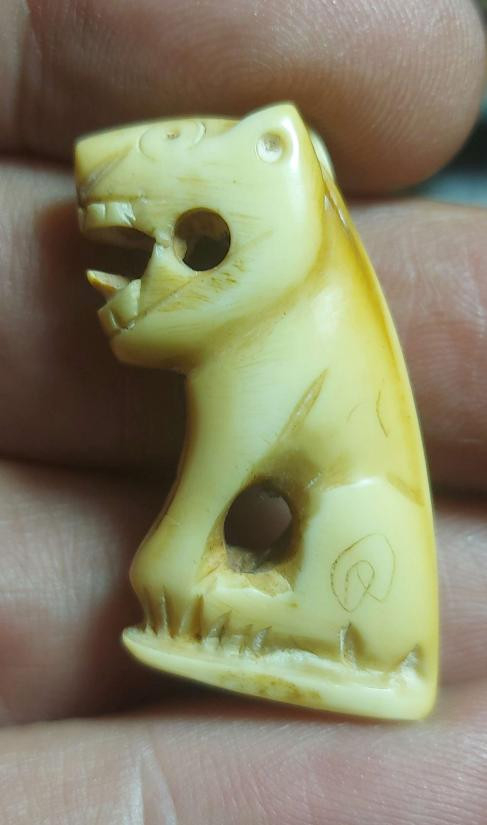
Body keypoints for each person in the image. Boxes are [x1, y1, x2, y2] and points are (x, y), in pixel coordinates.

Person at [0, 1, 486, 822]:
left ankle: (344, 637)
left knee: (237, 551)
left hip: (360, 583)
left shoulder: (285, 343)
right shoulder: (253, 343)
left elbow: (217, 484)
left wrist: (170, 565)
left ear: (278, 159)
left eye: (195, 241)